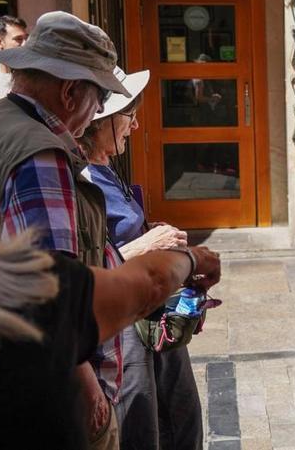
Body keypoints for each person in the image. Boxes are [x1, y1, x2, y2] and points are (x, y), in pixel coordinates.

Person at [0, 63, 222, 450]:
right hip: (106, 336)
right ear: (72, 97)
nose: (134, 124)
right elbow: (82, 297)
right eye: (122, 111)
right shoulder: (44, 162)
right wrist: (189, 259)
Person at [78, 67, 205, 450]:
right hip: (126, 326)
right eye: (129, 116)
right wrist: (143, 246)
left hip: (150, 310)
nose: (135, 125)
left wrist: (151, 232)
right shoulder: (82, 176)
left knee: (180, 412)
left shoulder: (105, 165)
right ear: (101, 122)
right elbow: (87, 264)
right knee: (143, 419)